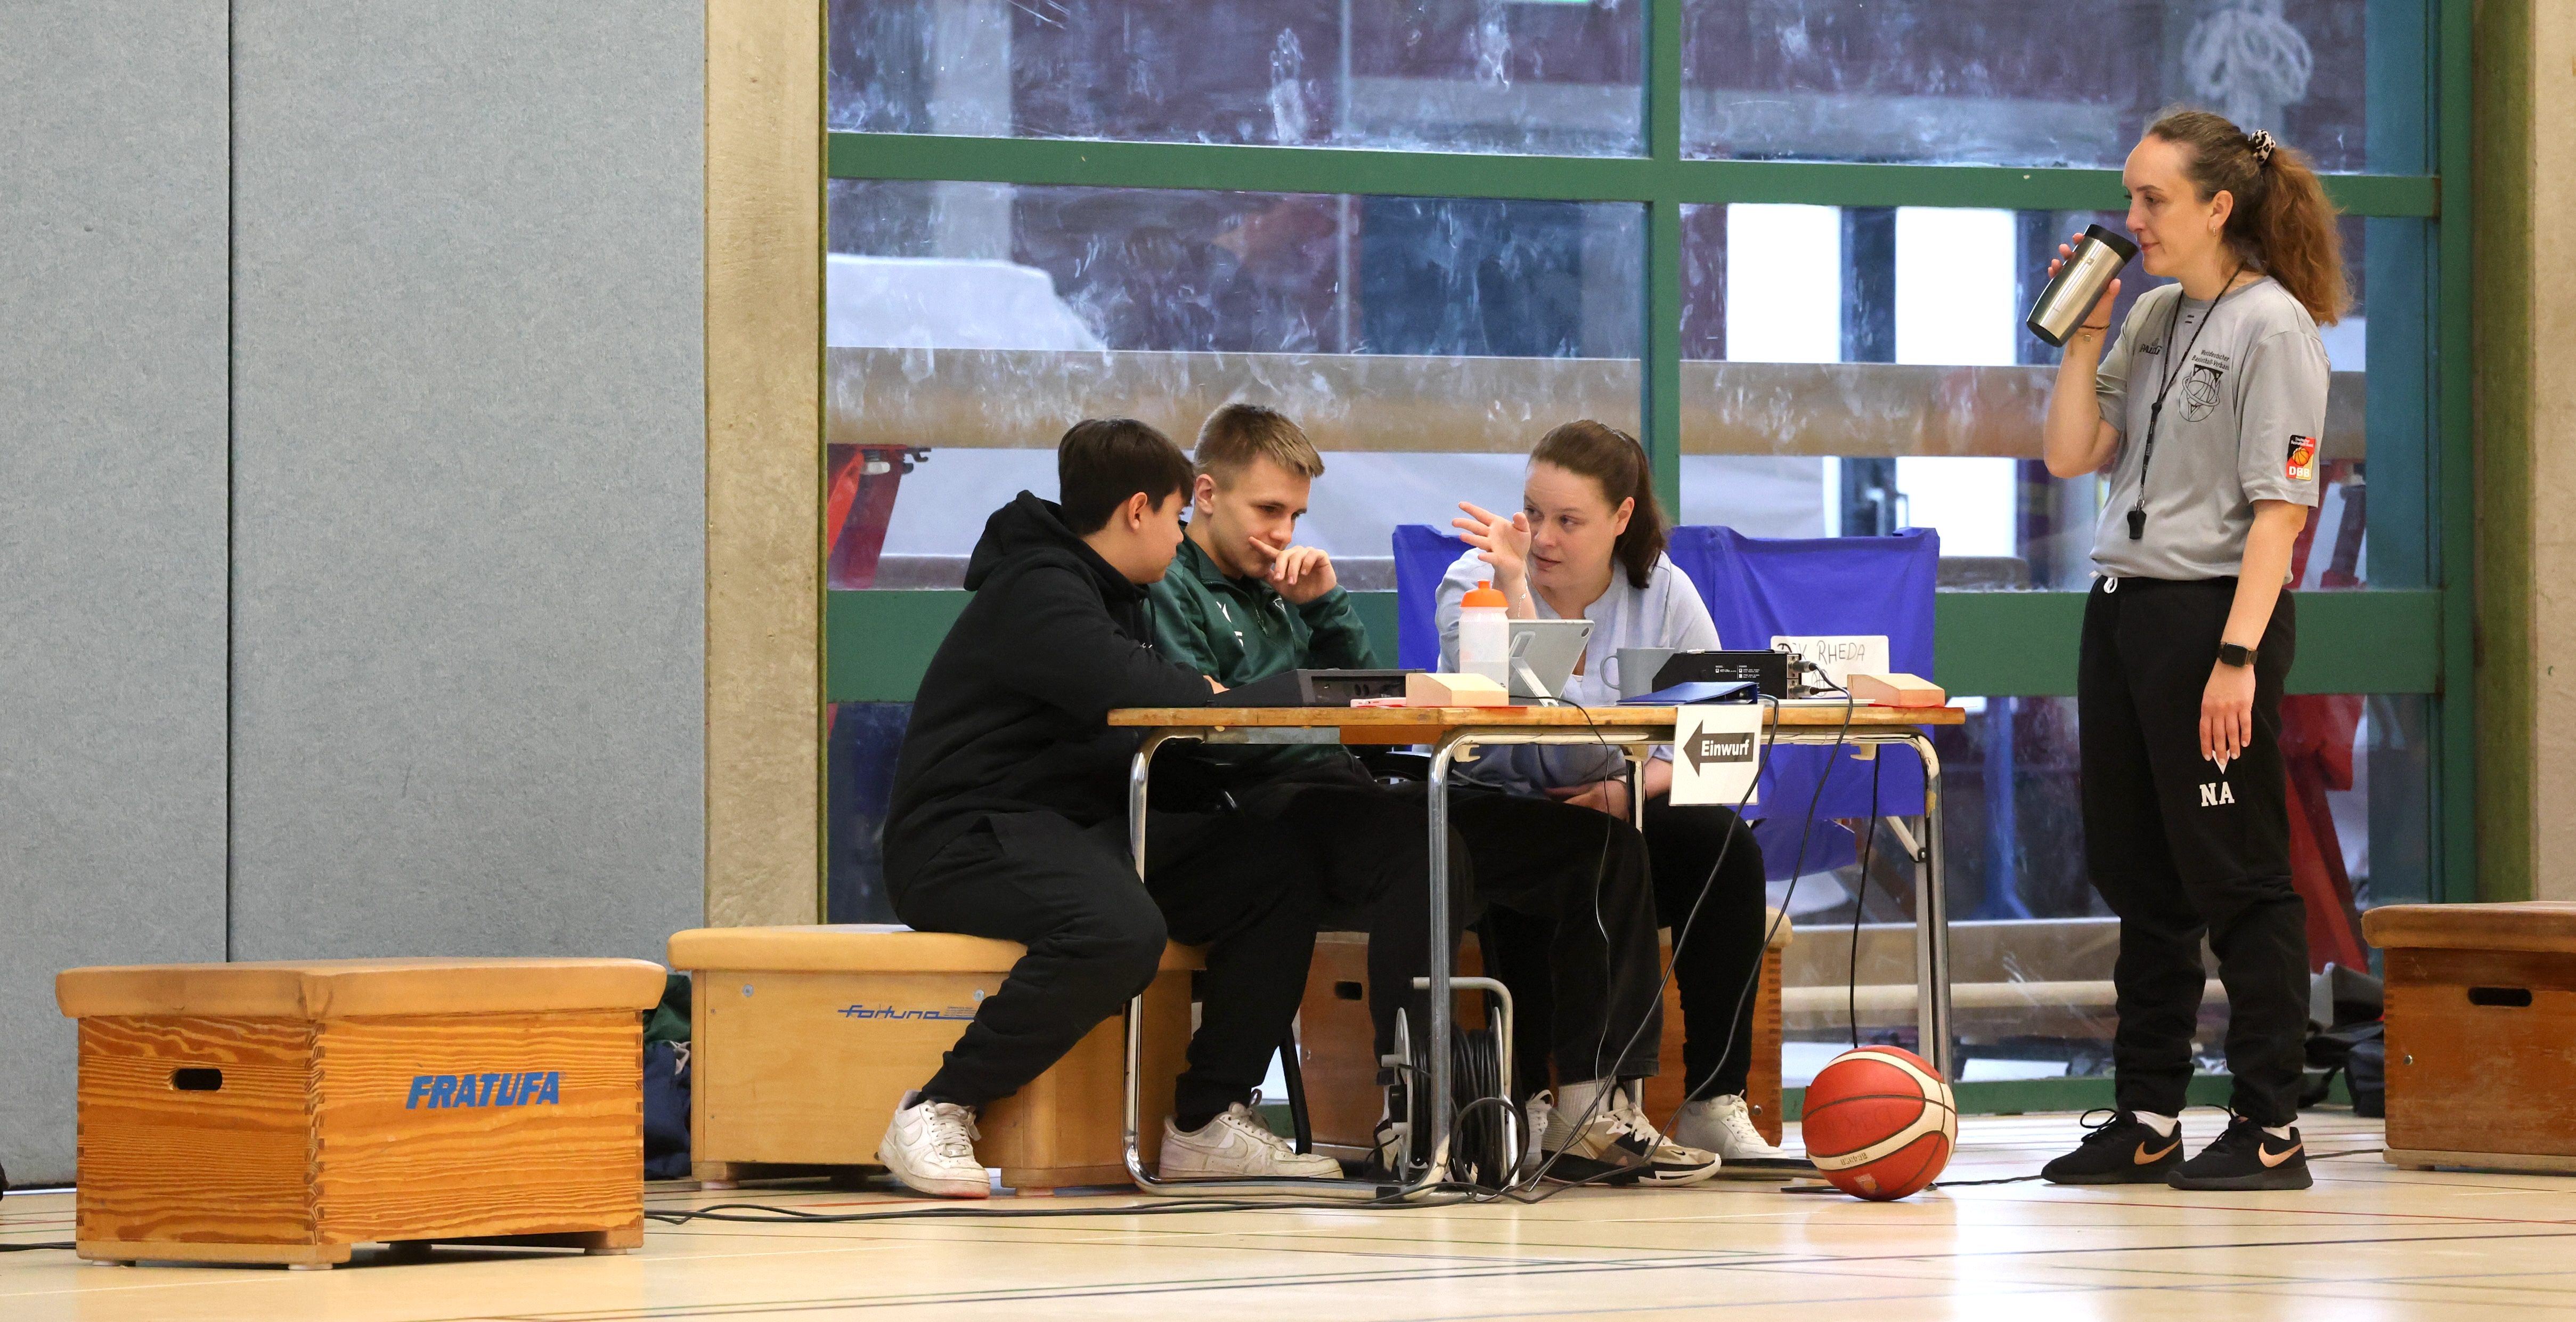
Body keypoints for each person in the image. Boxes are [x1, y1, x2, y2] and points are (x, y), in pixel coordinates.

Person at [1150, 403, 1713, 1186]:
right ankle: (1415, 1112)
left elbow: (1366, 702)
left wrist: (1327, 604)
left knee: (1601, 847)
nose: (1283, 532)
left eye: (1296, 516)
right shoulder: (1171, 579)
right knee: (1424, 848)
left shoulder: (1278, 584)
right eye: (1269, 510)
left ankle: (1591, 1103)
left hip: (1354, 788)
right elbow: (1201, 719)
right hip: (1261, 801)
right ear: (1207, 495)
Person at [876, 418, 1341, 1197]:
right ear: (1137, 511)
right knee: (1119, 930)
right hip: (963, 840)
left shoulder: (1111, 594)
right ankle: (938, 1106)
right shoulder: (1038, 588)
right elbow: (1131, 683)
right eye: (1176, 518)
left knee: (1272, 867)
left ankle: (1206, 1122)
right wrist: (1204, 690)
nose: (1180, 536)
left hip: (1070, 831)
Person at [2034, 110, 2341, 1192]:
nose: (2132, 219)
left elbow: (2280, 514)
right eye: (2129, 196)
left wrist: (2238, 658)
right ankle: (2148, 1114)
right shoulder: (2157, 314)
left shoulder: (2276, 328)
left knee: (2238, 874)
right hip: (2125, 608)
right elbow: (2072, 451)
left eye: (2152, 199)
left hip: (2214, 616)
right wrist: (2084, 332)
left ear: (2218, 206)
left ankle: (2270, 1124)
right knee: (2143, 876)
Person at [1442, 420, 1808, 1173]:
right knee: (1570, 852)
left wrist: (1631, 785)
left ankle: (1714, 1099)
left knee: (1724, 849)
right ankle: (1546, 1103)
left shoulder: (1664, 590)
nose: (1542, 537)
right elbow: (1550, 732)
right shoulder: (1474, 583)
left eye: (1568, 520)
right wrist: (1518, 593)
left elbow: (1720, 731)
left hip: (1619, 806)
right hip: (1499, 806)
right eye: (1532, 512)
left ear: (1621, 517)